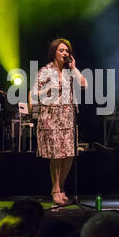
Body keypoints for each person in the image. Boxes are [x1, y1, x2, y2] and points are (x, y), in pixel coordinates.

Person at [31, 38, 88, 206]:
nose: (64, 53)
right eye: (61, 50)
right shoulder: (45, 70)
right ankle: (55, 189)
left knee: (69, 153)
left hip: (68, 114)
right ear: (54, 52)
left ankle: (61, 187)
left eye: (67, 51)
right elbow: (34, 94)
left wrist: (74, 67)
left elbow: (84, 85)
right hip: (51, 115)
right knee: (56, 155)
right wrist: (48, 89)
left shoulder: (70, 70)